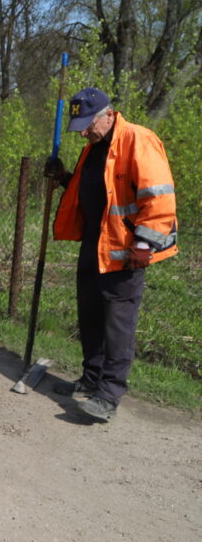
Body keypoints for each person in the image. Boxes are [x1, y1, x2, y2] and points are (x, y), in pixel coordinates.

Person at [44, 87, 178, 423]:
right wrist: (63, 178)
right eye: (80, 126)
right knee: (89, 314)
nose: (84, 132)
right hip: (95, 244)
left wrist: (145, 245)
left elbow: (158, 198)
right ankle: (91, 378)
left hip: (127, 251)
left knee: (117, 324)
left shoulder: (137, 140)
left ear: (108, 114)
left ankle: (109, 394)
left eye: (89, 124)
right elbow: (95, 191)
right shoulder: (95, 148)